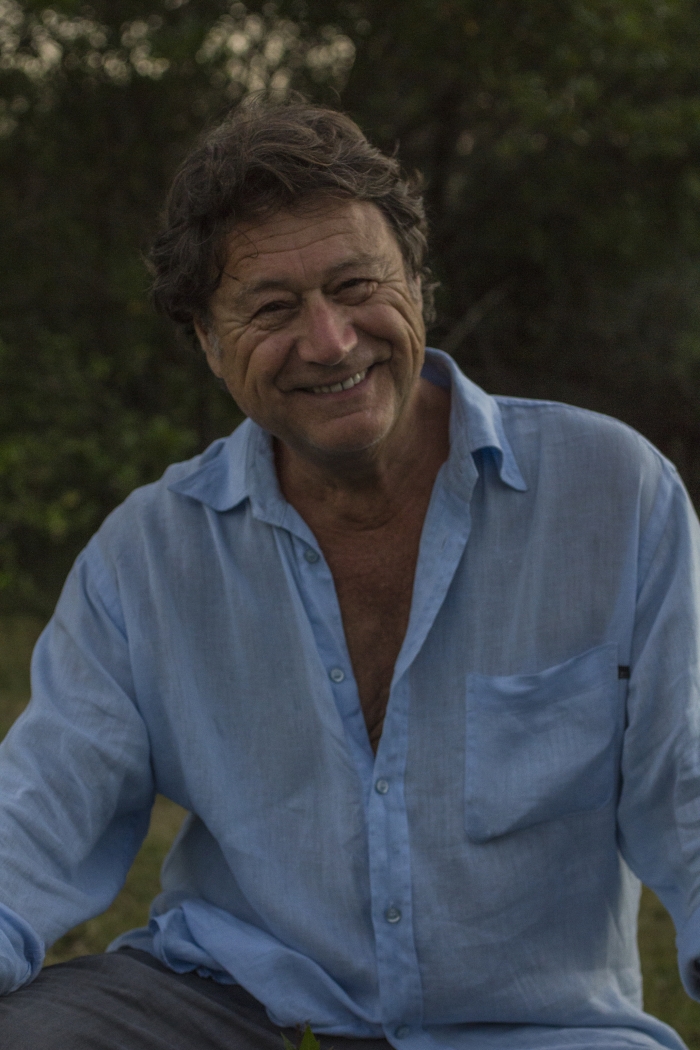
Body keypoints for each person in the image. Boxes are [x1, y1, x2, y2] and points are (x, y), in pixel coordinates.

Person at [1, 99, 700, 1050]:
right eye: (273, 309)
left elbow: (688, 784)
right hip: (226, 1004)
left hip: (528, 1029)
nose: (330, 341)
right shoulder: (147, 557)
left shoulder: (615, 495)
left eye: (356, 284)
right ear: (208, 341)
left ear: (417, 282)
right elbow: (37, 817)